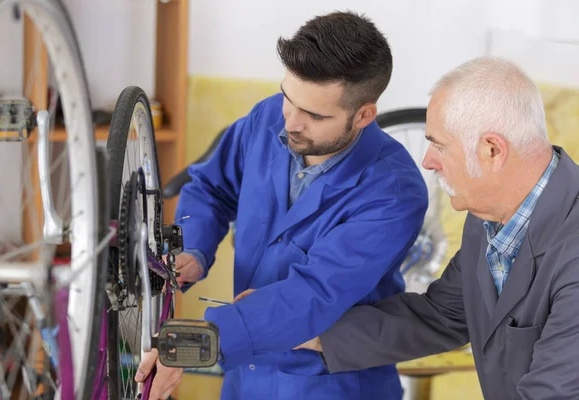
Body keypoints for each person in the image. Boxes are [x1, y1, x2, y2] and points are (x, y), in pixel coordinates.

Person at [135, 10, 429, 400]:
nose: (290, 122)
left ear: (363, 115)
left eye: (314, 115)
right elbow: (209, 186)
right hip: (246, 380)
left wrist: (197, 344)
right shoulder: (268, 117)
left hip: (330, 386)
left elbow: (312, 294)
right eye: (289, 98)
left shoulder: (393, 192)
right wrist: (194, 249)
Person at [296, 56, 579, 399]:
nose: (428, 161)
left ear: (492, 150)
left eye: (439, 145)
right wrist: (309, 328)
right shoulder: (488, 218)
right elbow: (442, 315)